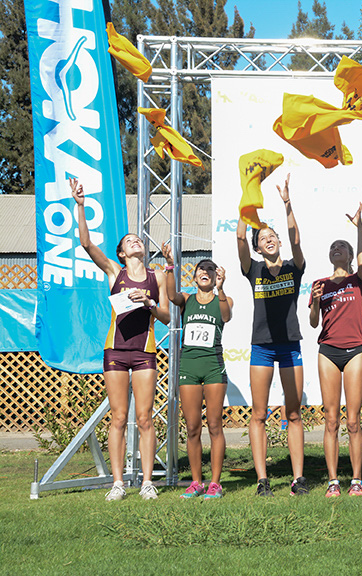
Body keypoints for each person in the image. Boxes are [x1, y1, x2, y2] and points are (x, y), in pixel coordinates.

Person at [69, 178, 169, 501]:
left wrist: (150, 303)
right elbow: (86, 244)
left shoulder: (158, 276)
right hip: (115, 351)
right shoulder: (114, 272)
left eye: (138, 239)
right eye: (129, 241)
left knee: (144, 417)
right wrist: (81, 206)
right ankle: (117, 483)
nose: (135, 241)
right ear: (121, 253)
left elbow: (166, 315)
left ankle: (147, 483)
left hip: (144, 352)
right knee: (119, 417)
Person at [236, 173, 308, 497]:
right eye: (262, 236)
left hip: (290, 347)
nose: (269, 238)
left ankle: (298, 479)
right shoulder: (252, 269)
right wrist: (246, 203)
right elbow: (240, 241)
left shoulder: (294, 267)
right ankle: (262, 481)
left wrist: (287, 202)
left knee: (293, 413)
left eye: (272, 235)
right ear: (257, 246)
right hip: (262, 349)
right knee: (259, 414)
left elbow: (295, 238)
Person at [161, 245, 232, 499]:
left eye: (211, 269)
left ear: (216, 277)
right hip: (189, 367)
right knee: (192, 427)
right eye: (202, 268)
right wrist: (170, 265)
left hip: (213, 367)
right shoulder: (187, 300)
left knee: (214, 424)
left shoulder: (222, 298)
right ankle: (196, 482)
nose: (206, 271)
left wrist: (221, 290)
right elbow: (171, 296)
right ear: (195, 276)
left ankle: (215, 483)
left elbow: (226, 316)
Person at [309, 202, 362, 497]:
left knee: (353, 420)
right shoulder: (319, 283)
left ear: (348, 255)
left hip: (355, 350)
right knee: (331, 419)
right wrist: (317, 301)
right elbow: (311, 323)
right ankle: (334, 481)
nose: (336, 249)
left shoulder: (358, 280)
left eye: (341, 246)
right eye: (333, 246)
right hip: (328, 352)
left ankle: (356, 480)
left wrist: (358, 227)